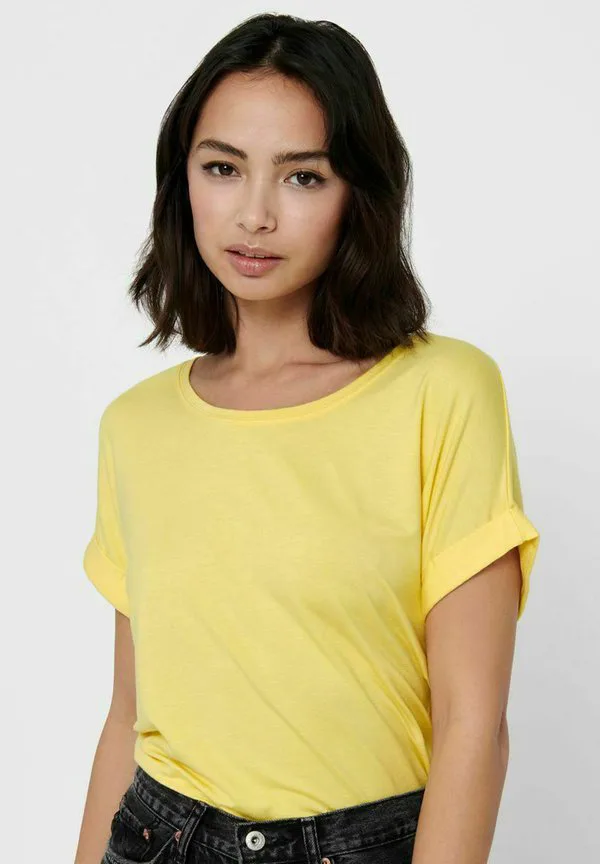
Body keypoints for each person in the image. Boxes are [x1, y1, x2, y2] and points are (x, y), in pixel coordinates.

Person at [74, 13, 541, 864]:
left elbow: (473, 726)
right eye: (222, 168)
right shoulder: (135, 426)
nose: (254, 215)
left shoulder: (444, 392)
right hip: (159, 835)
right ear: (182, 182)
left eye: (302, 177)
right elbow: (127, 715)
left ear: (358, 193)